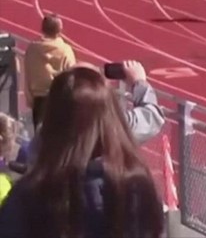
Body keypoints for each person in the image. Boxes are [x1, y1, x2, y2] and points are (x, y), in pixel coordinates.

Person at [0, 67, 166, 238]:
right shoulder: (138, 187)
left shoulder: (29, 195)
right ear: (111, 117)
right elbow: (150, 117)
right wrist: (139, 84)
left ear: (51, 118)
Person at [23, 14, 75, 130]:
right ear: (59, 30)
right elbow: (71, 76)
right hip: (59, 99)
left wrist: (29, 98)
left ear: (42, 28)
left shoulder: (32, 49)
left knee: (40, 137)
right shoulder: (65, 50)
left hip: (39, 100)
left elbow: (27, 74)